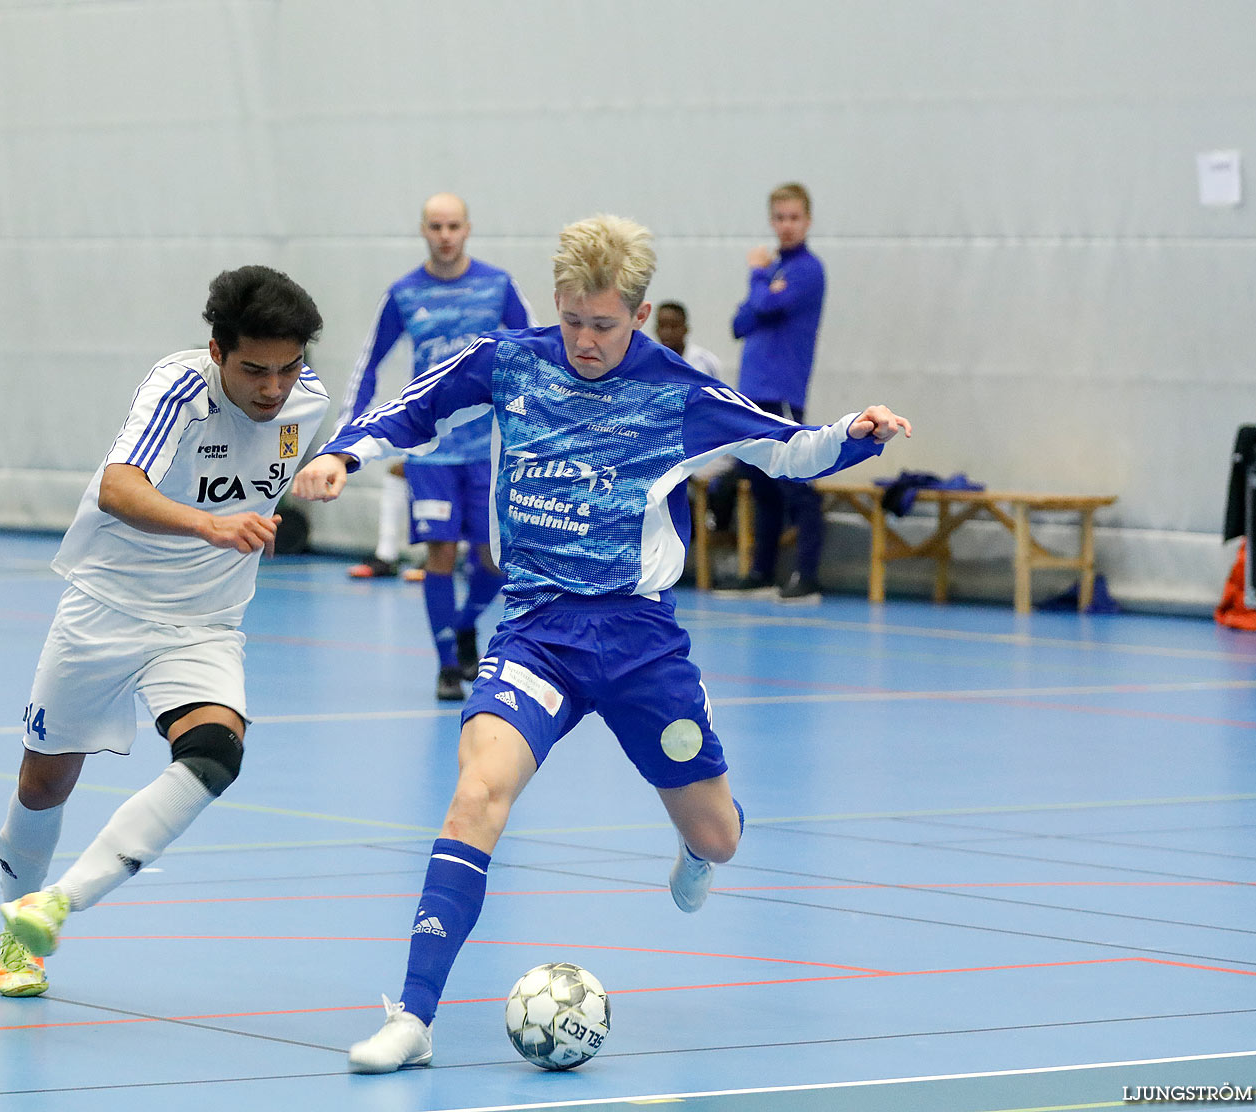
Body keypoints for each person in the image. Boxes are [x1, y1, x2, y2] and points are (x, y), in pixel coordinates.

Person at [293, 214, 910, 1071]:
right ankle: (414, 1016)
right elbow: (414, 408)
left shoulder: (677, 391)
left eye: (605, 325)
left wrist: (856, 432)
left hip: (636, 641)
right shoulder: (510, 360)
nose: (585, 341)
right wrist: (347, 455)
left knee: (722, 835)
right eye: (573, 320)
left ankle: (698, 845)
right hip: (536, 632)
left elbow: (786, 448)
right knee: (476, 794)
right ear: (556, 304)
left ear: (641, 314)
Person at [0, 265, 329, 997]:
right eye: (254, 370)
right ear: (216, 353)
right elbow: (119, 487)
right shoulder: (178, 388)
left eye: (287, 368)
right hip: (107, 606)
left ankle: (48, 913)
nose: (272, 389)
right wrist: (211, 524)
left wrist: (332, 466)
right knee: (44, 781)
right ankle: (13, 909)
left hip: (204, 623)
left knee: (215, 754)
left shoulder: (310, 404)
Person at [334, 192, 533, 700]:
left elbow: (538, 351)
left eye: (453, 226)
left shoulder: (497, 285)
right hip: (430, 451)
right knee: (440, 553)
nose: (445, 236)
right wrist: (347, 441)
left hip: (489, 447)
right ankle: (447, 665)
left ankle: (467, 623)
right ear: (423, 231)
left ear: (468, 229)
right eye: (435, 227)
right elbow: (368, 365)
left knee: (493, 560)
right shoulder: (403, 293)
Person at [718, 182, 830, 601]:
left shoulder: (805, 270)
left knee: (795, 478)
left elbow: (761, 308)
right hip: (752, 390)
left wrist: (758, 277)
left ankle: (807, 573)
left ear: (808, 221)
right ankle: (763, 571)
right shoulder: (776, 273)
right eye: (780, 218)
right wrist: (764, 287)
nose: (786, 226)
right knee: (759, 481)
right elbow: (740, 323)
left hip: (782, 390)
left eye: (794, 218)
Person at [652, 300, 724, 380]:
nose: (667, 332)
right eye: (662, 326)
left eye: (674, 326)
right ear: (656, 329)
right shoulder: (648, 363)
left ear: (685, 329)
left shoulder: (705, 362)